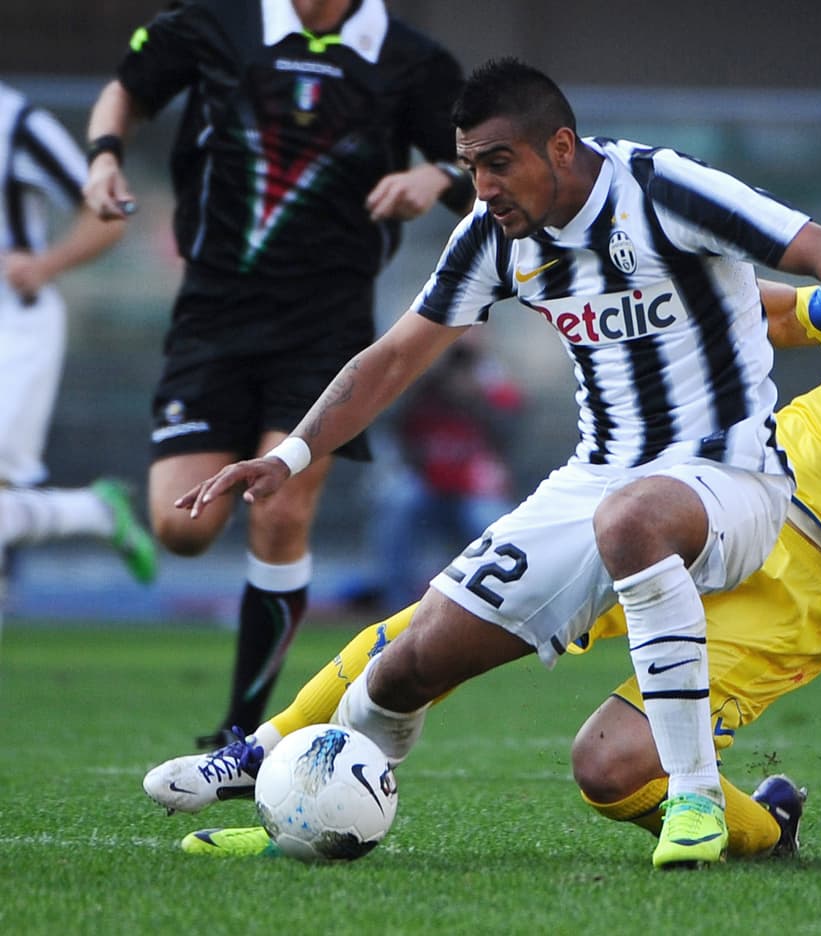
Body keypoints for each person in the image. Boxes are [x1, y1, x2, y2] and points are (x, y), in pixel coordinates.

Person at [152, 175, 821, 873]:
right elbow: (785, 312)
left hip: (804, 593)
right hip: (722, 492)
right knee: (454, 613)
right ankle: (261, 750)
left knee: (608, 769)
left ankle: (764, 830)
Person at [80, 0, 473, 748]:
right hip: (212, 314)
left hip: (326, 326)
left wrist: (437, 179)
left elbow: (483, 156)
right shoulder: (214, 24)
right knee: (182, 526)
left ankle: (242, 728)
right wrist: (104, 154)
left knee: (282, 510)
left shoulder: (410, 59)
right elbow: (128, 85)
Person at [0, 79, 155, 600]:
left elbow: (110, 211)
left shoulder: (15, 122)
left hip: (14, 331)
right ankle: (92, 510)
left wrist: (46, 265)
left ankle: (94, 512)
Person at [343, 330, 524, 613]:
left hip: (471, 491)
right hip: (426, 486)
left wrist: (479, 391)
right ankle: (396, 604)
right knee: (399, 499)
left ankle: (502, 607)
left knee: (493, 521)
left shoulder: (488, 382)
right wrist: (430, 370)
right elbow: (386, 416)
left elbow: (512, 427)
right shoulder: (422, 384)